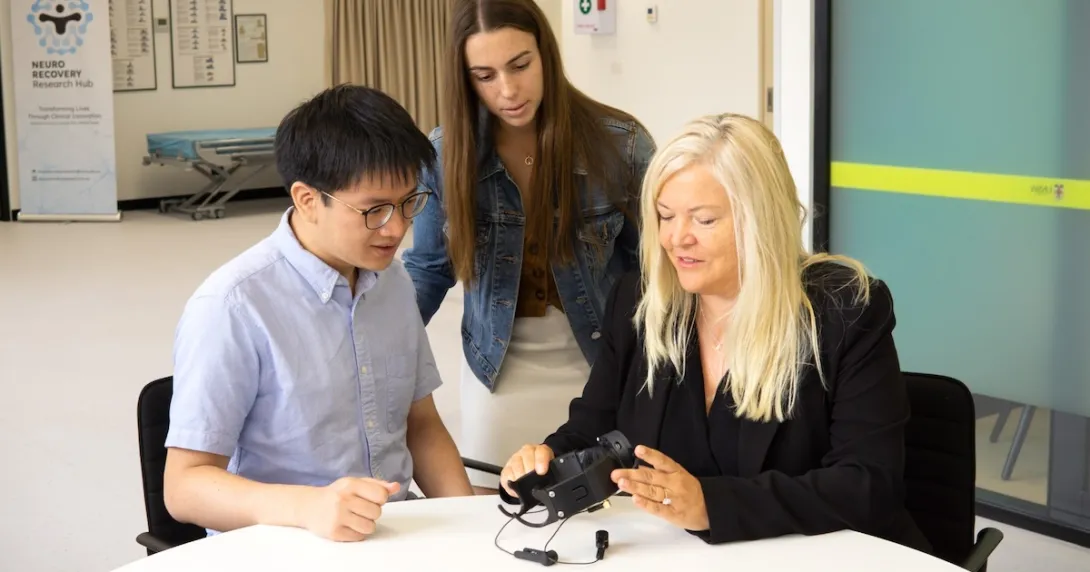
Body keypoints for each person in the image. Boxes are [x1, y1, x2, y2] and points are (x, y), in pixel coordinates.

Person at [499, 113, 933, 553]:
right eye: (666, 216)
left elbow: (866, 484)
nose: (676, 238)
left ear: (760, 221)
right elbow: (592, 429)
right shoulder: (640, 302)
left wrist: (711, 505)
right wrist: (544, 463)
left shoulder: (845, 309)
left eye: (703, 220)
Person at [163, 84, 474, 542]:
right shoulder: (232, 307)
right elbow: (184, 486)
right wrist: (308, 507)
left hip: (393, 538)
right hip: (282, 545)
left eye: (409, 202)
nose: (398, 228)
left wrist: (470, 529)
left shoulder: (390, 281)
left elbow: (421, 425)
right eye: (375, 210)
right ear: (308, 200)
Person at [401, 0, 656, 492]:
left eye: (520, 65)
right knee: (501, 513)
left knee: (607, 515)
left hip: (600, 369)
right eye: (485, 75)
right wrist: (376, 341)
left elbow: (657, 274)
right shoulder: (445, 152)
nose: (508, 90)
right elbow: (430, 269)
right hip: (497, 375)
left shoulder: (621, 144)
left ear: (546, 55)